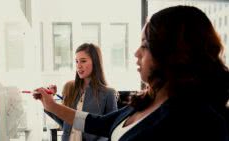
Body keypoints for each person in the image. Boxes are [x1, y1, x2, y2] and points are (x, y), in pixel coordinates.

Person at [35, 6, 229, 141]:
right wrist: (51, 105)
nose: (136, 53)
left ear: (173, 54)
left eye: (145, 46)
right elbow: (99, 123)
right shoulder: (149, 99)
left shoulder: (201, 121)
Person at [44, 43, 119, 141]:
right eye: (76, 61)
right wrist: (48, 100)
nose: (78, 66)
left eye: (83, 61)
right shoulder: (70, 88)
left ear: (95, 63)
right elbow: (65, 122)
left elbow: (113, 129)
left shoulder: (108, 93)